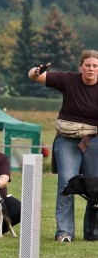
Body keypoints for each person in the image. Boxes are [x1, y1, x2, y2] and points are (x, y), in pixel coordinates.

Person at [28, 49, 98, 242]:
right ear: (80, 67)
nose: (91, 69)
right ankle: (64, 233)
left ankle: (93, 233)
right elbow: (35, 76)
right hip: (67, 138)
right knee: (66, 181)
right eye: (87, 65)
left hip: (94, 138)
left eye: (95, 66)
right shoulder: (68, 79)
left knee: (96, 183)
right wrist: (36, 70)